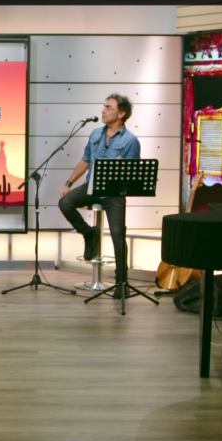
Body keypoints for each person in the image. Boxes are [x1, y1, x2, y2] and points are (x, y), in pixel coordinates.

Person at [58, 93, 141, 297]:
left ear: (121, 113)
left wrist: (122, 168)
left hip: (113, 193)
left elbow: (133, 174)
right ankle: (89, 233)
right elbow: (86, 159)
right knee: (65, 202)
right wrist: (69, 183)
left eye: (109, 108)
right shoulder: (95, 134)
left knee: (118, 234)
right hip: (91, 187)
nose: (103, 111)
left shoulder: (131, 141)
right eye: (104, 106)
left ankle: (121, 282)